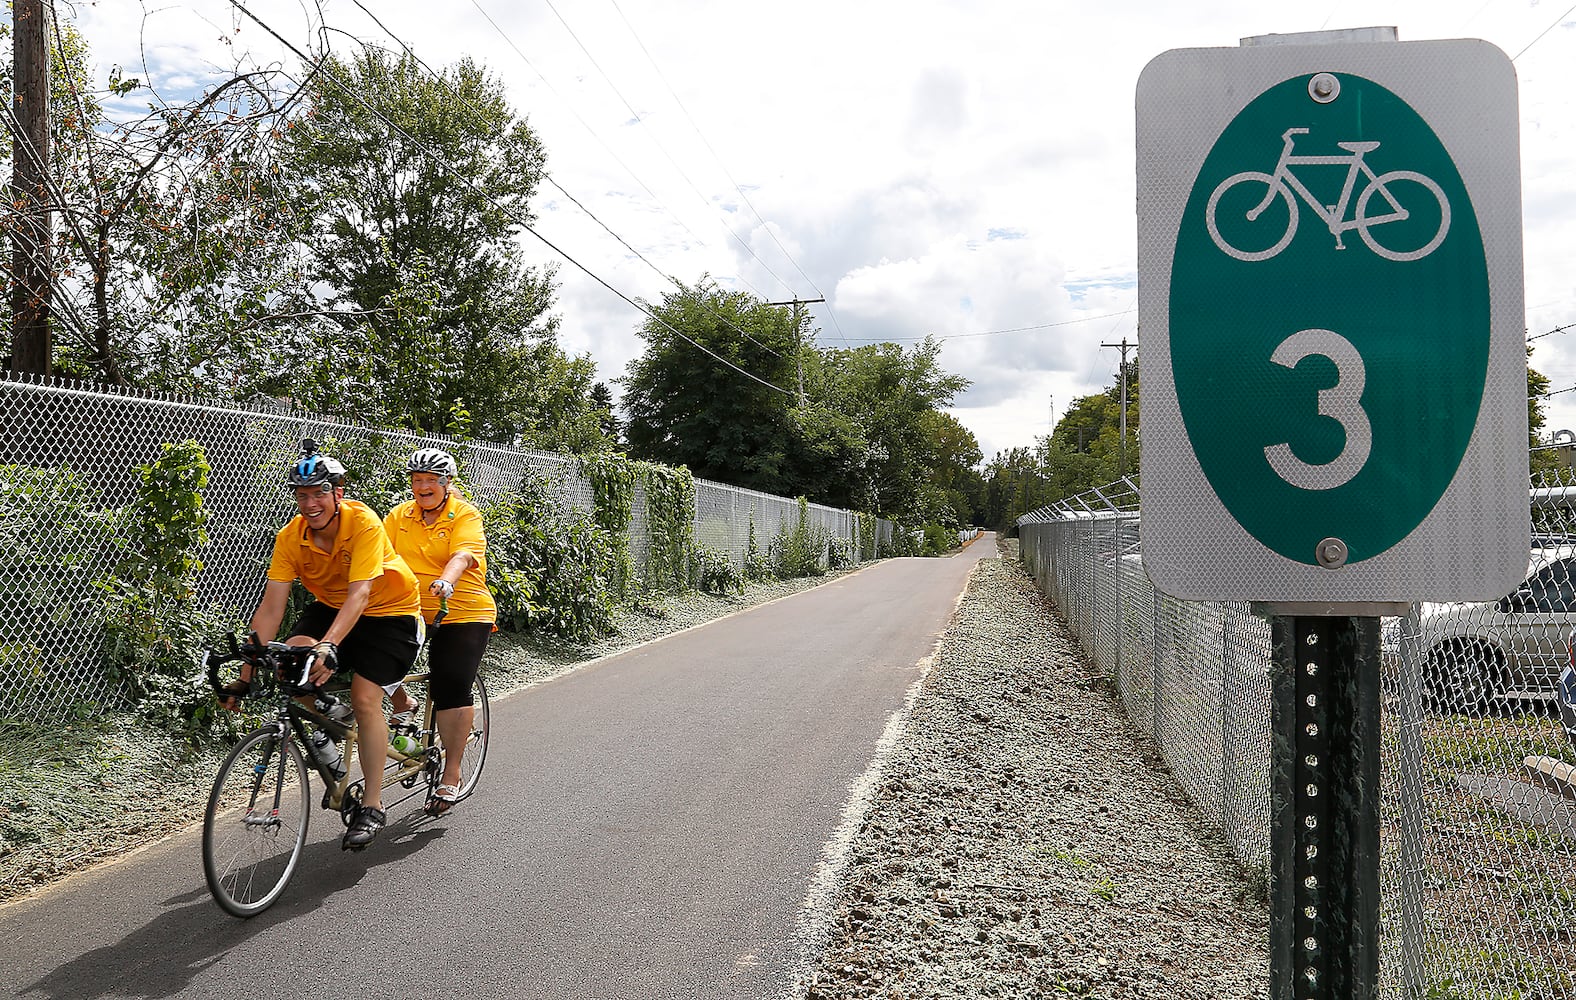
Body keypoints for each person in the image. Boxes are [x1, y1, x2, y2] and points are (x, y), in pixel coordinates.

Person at [220, 440, 423, 851]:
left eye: (318, 493)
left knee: (366, 698)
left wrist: (329, 646)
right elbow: (271, 607)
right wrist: (244, 675)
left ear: (337, 494)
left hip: (391, 613)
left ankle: (372, 805)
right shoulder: (290, 537)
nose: (310, 503)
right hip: (332, 607)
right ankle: (332, 728)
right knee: (290, 661)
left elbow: (361, 594)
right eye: (302, 495)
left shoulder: (362, 522)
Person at [384, 447, 496, 815]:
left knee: (449, 684)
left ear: (447, 483)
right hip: (408, 607)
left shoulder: (464, 514)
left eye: (431, 480)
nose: (423, 486)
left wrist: (446, 581)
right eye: (417, 480)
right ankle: (404, 703)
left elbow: (462, 555)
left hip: (461, 609)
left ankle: (452, 771)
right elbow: (378, 554)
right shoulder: (399, 516)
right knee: (369, 653)